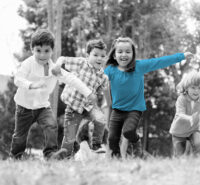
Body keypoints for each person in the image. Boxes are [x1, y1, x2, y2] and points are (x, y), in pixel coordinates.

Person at [10, 29, 96, 160]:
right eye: (38, 50)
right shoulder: (28, 63)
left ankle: (50, 153)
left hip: (43, 107)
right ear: (32, 49)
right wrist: (31, 85)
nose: (42, 55)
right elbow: (18, 79)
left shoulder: (53, 69)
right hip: (24, 107)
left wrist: (88, 92)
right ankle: (15, 156)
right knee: (20, 136)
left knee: (51, 125)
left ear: (52, 51)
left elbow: (71, 79)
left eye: (46, 51)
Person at [104, 37, 193, 158]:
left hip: (134, 109)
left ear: (133, 54)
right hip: (117, 110)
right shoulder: (110, 70)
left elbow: (160, 61)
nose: (124, 55)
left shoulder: (139, 66)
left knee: (128, 131)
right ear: (114, 55)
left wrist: (181, 56)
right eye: (120, 52)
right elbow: (97, 78)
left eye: (127, 51)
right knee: (112, 138)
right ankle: (117, 159)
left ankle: (136, 141)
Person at [52, 39, 109, 159]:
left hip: (88, 107)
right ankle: (63, 158)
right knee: (69, 139)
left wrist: (105, 103)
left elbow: (102, 92)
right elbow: (62, 58)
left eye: (103, 56)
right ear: (88, 55)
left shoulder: (103, 76)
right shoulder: (80, 63)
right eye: (96, 55)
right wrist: (57, 65)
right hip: (73, 108)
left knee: (101, 120)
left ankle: (96, 144)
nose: (99, 58)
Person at [169, 71, 200, 157]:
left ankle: (196, 163)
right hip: (179, 132)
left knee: (198, 143)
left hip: (193, 129)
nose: (196, 91)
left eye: (199, 88)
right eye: (193, 87)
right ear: (186, 88)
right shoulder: (181, 99)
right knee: (179, 155)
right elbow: (179, 114)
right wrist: (190, 118)